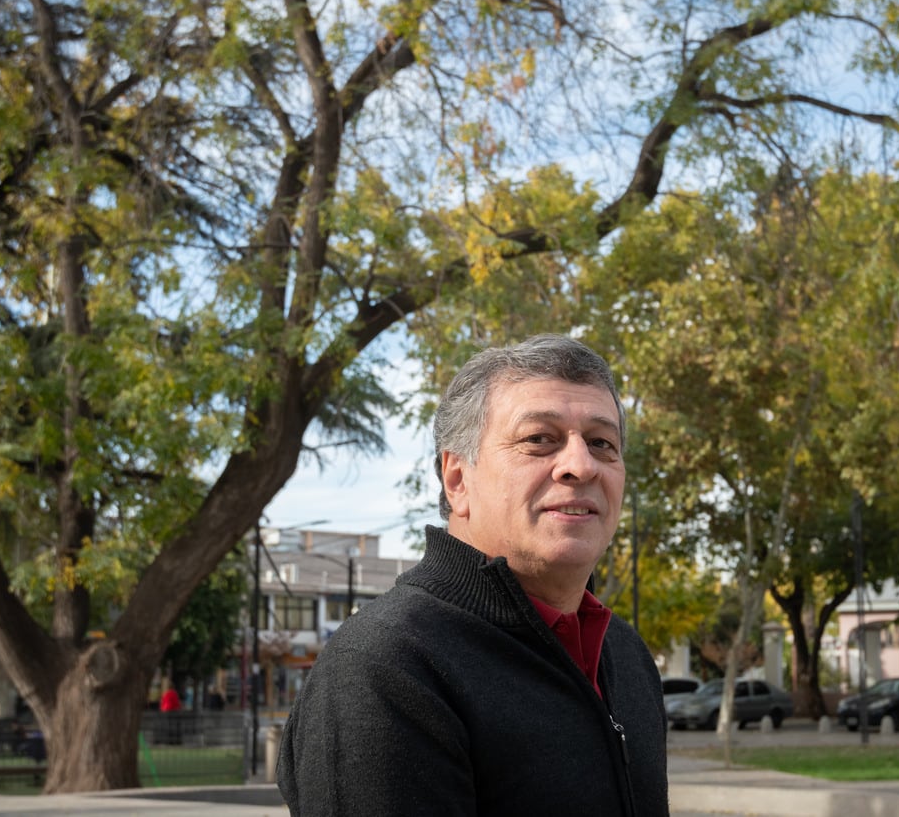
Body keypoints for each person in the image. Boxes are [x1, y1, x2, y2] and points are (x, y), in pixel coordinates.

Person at [278, 334, 668, 816]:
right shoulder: (388, 667)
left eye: (601, 443)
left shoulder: (625, 655)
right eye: (539, 439)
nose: (580, 465)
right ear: (457, 479)